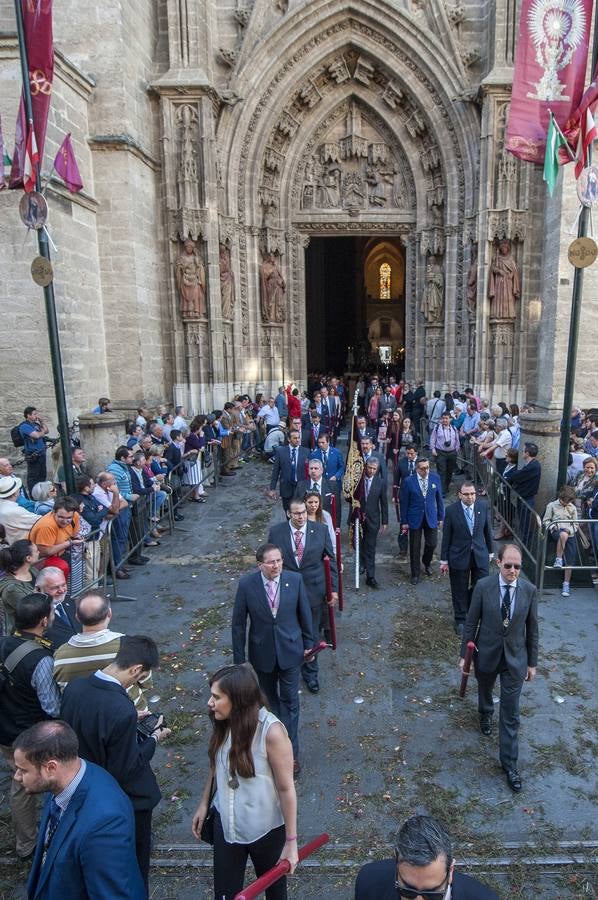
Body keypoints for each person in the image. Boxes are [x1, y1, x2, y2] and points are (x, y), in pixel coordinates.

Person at [61, 635, 171, 890]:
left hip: (81, 786)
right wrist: (154, 737)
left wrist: (130, 720)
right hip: (125, 800)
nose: (137, 681)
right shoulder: (120, 707)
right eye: (139, 676)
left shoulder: (75, 688)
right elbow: (127, 768)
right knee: (134, 861)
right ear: (135, 669)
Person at [191, 664, 298, 900]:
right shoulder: (221, 719)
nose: (210, 702)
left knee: (275, 893)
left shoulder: (271, 733)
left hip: (266, 829)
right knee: (225, 894)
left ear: (238, 700)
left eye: (217, 697)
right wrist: (204, 803)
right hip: (226, 826)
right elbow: (215, 763)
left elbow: (286, 788)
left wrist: (291, 842)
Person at [14, 720, 146, 900]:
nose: (17, 777)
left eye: (23, 770)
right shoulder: (64, 779)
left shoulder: (104, 824)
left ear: (51, 767)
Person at [459, 544, 538, 792]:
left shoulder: (529, 590)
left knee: (511, 712)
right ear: (498, 563)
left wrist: (532, 663)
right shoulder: (483, 587)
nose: (513, 571)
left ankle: (510, 764)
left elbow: (533, 630)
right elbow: (471, 622)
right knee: (485, 689)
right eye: (508, 566)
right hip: (487, 654)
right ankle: (485, 712)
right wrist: (465, 656)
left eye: (517, 566)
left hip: (515, 659)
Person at [231, 544, 313, 771]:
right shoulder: (247, 585)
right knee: (270, 703)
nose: (276, 565)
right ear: (260, 565)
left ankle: (290, 755)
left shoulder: (294, 580)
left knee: (290, 703)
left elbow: (305, 614)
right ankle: (273, 746)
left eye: (279, 560)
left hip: (291, 651)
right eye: (271, 562)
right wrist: (239, 659)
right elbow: (238, 624)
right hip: (262, 654)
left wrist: (309, 644)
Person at [0, 592, 60, 859]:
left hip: (4, 727)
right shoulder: (40, 660)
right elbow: (52, 707)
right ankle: (29, 844)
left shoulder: (4, 642)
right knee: (25, 785)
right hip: (27, 735)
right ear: (44, 621)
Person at [268, 499, 338, 694]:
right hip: (287, 592)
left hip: (314, 592)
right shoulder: (276, 532)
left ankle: (311, 675)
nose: (301, 517)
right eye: (297, 513)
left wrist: (333, 590)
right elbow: (271, 563)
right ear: (289, 514)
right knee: (288, 632)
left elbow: (330, 562)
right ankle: (289, 669)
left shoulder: (320, 530)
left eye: (304, 513)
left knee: (312, 634)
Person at [355, 814, 498, 899]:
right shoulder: (369, 883)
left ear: (451, 871)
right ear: (397, 862)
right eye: (407, 892)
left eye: (432, 896)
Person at [53, 592, 153, 711]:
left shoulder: (60, 655)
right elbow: (145, 681)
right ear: (109, 613)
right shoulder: (130, 645)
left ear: (77, 617)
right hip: (130, 714)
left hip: (86, 719)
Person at [440, 483, 493, 634]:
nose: (470, 497)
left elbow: (487, 530)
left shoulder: (482, 507)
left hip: (480, 554)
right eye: (467, 494)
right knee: (459, 588)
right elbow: (446, 536)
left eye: (472, 494)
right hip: (458, 555)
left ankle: (471, 609)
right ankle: (461, 619)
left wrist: (490, 551)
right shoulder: (451, 511)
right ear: (460, 495)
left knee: (481, 585)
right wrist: (444, 560)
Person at [400, 458, 444, 585]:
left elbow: (439, 499)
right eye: (423, 468)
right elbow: (404, 503)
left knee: (432, 543)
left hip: (431, 516)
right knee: (415, 547)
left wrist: (441, 517)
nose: (426, 470)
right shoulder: (409, 481)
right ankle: (415, 573)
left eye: (427, 467)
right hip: (414, 517)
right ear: (417, 469)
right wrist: (404, 521)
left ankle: (426, 561)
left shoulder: (435, 478)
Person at [543, 485, 579, 598]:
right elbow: (546, 520)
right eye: (564, 501)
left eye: (568, 501)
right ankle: (558, 559)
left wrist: (570, 530)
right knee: (563, 535)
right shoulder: (552, 505)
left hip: (570, 533)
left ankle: (566, 583)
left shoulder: (572, 508)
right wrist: (552, 527)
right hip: (557, 530)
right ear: (561, 497)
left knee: (570, 558)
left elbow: (576, 524)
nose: (566, 503)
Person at [0, 539, 40, 636]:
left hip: (39, 625)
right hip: (21, 635)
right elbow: (31, 612)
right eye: (36, 550)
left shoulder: (33, 571)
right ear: (28, 558)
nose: (39, 552)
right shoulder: (11, 589)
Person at [359, 458, 388, 589]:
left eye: (374, 469)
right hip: (358, 518)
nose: (371, 471)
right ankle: (362, 563)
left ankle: (370, 576)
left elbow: (384, 503)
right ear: (366, 466)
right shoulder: (358, 480)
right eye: (369, 468)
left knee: (370, 546)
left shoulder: (380, 483)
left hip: (373, 519)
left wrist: (385, 521)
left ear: (377, 470)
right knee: (360, 543)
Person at [35, 567, 80, 651]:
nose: (62, 590)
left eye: (64, 585)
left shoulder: (70, 602)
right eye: (54, 588)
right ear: (39, 589)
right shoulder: (34, 613)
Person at [269, 430, 310, 511]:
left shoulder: (306, 451)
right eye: (295, 438)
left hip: (301, 487)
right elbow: (275, 471)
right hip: (286, 487)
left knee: (300, 511)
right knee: (288, 511)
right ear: (289, 439)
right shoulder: (281, 452)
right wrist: (272, 488)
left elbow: (310, 470)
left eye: (299, 438)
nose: (298, 440)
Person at [0, 475, 41, 543]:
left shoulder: (4, 505)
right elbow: (40, 521)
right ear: (15, 493)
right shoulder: (14, 510)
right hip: (22, 547)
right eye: (18, 488)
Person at [19, 407, 49, 493]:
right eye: (34, 414)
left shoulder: (36, 425)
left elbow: (46, 431)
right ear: (28, 415)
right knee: (33, 476)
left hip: (41, 453)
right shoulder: (24, 426)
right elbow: (36, 435)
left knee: (42, 474)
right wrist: (41, 433)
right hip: (33, 454)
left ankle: (42, 493)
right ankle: (33, 495)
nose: (37, 416)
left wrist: (42, 422)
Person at [430, 411, 460, 495]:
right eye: (443, 418)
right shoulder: (437, 428)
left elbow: (457, 440)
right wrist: (433, 449)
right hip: (441, 452)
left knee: (449, 471)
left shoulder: (454, 428)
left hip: (452, 453)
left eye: (446, 418)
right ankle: (442, 490)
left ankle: (446, 487)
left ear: (450, 419)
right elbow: (433, 439)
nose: (445, 420)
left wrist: (456, 450)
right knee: (441, 471)